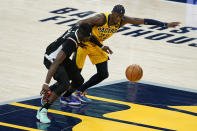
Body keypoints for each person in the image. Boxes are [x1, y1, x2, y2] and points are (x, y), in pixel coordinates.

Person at [49, 4, 181, 104]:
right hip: (85, 44)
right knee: (74, 75)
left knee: (103, 74)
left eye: (120, 17)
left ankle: (79, 91)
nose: (118, 19)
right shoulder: (101, 19)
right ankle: (58, 94)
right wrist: (75, 38)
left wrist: (165, 24)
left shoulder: (122, 20)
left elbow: (141, 20)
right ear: (112, 13)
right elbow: (80, 23)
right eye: (117, 16)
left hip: (97, 45)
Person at [36, 23, 92, 123]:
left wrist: (102, 46)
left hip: (61, 57)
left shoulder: (77, 29)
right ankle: (43, 110)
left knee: (79, 80)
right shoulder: (71, 42)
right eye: (89, 36)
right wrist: (46, 83)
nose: (90, 38)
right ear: (83, 36)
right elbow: (56, 62)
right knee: (65, 84)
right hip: (51, 59)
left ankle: (63, 96)